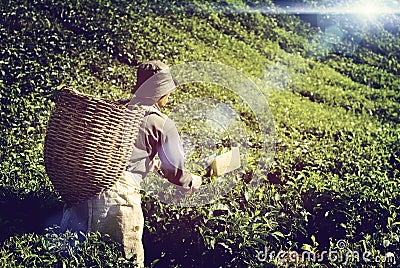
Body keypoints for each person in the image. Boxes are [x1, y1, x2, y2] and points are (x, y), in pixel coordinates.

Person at [60, 60, 202, 267]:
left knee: (74, 259)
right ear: (161, 90)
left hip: (85, 188)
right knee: (125, 260)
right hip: (117, 199)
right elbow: (176, 172)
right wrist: (192, 181)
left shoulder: (118, 106)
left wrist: (148, 162)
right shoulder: (161, 123)